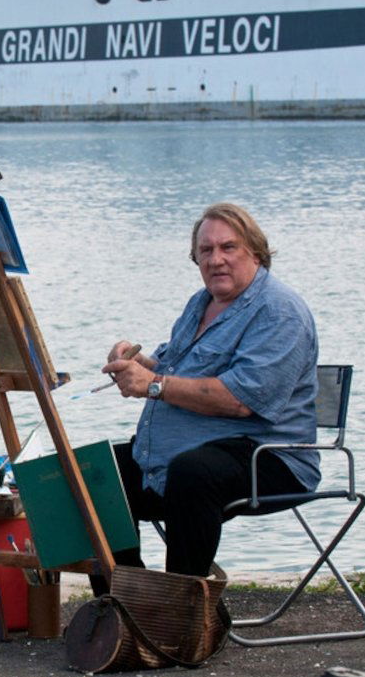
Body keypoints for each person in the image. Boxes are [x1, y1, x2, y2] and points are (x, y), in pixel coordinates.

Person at [99, 202, 320, 580]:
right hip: (184, 454)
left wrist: (151, 385)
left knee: (193, 472)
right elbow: (173, 369)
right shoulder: (201, 303)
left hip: (269, 456)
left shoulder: (279, 312)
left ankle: (183, 612)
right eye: (206, 251)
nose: (216, 259)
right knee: (92, 474)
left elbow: (240, 400)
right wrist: (138, 363)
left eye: (228, 247)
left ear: (255, 251)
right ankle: (127, 604)